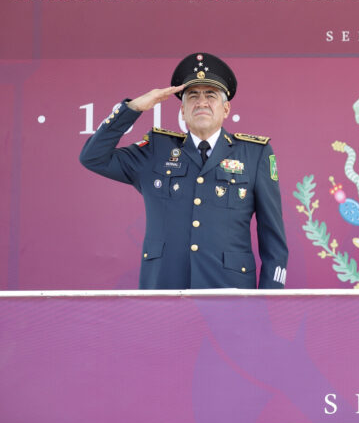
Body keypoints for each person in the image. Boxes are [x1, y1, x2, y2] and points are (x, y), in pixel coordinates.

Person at [80, 52, 288, 289]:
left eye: (210, 95)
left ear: (226, 108)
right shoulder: (156, 150)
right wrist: (134, 107)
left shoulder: (255, 154)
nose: (201, 102)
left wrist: (270, 298)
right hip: (164, 291)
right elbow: (92, 157)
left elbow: (273, 237)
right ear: (182, 110)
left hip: (230, 293)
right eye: (192, 96)